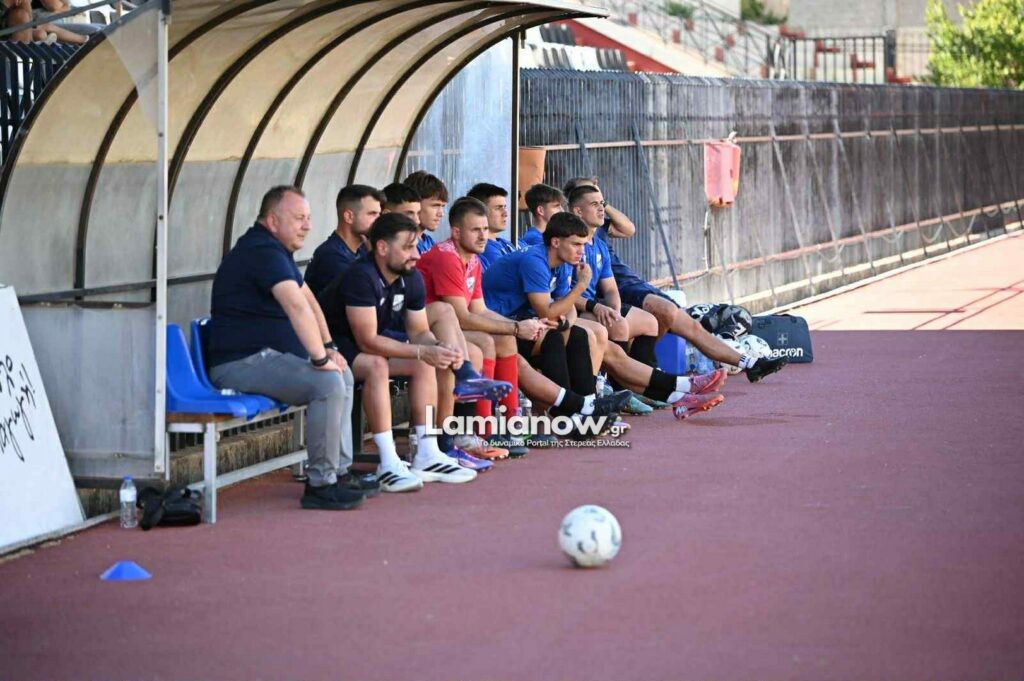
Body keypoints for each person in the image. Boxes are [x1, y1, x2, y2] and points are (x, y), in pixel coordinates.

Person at [206, 186, 371, 511]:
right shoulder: (261, 250)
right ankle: (321, 485)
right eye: (299, 218)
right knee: (327, 383)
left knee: (342, 373)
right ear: (272, 220)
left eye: (308, 218)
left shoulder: (274, 250)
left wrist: (329, 349)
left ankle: (339, 471)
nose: (307, 226)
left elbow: (309, 300)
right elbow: (295, 306)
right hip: (239, 364)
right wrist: (319, 359)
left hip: (264, 358)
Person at [321, 213, 513, 486]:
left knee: (426, 363)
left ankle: (427, 452)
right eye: (408, 247)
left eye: (415, 246)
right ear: (382, 247)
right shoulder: (361, 276)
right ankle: (388, 461)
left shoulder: (409, 276)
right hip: (333, 348)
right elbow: (367, 341)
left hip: (372, 344)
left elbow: (419, 331)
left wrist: (438, 348)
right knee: (378, 365)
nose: (416, 254)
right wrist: (422, 351)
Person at [419, 197, 631, 438]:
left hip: (480, 325)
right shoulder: (447, 257)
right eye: (475, 230)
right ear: (456, 232)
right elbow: (462, 317)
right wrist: (517, 327)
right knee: (516, 342)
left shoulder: (473, 259)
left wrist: (525, 326)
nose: (482, 236)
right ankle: (565, 415)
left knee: (570, 335)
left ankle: (569, 413)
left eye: (485, 229)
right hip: (429, 331)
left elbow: (478, 310)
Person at [486, 212, 726, 420]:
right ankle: (577, 411)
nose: (582, 251)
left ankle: (677, 393)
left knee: (586, 338)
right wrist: (581, 288)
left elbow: (564, 307)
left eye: (583, 244)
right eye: (576, 244)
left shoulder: (565, 261)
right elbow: (547, 311)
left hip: (526, 321)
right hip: (501, 325)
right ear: (556, 242)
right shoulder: (535, 259)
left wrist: (567, 322)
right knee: (573, 337)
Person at [563, 177, 786, 383]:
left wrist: (604, 202)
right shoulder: (574, 240)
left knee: (690, 325)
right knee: (664, 313)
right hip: (621, 290)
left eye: (601, 199)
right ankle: (643, 374)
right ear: (576, 207)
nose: (600, 205)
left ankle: (749, 362)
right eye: (593, 200)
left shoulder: (600, 233)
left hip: (631, 284)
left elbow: (629, 229)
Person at [303, 184, 382, 297]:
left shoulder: (363, 248)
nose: (379, 220)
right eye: (372, 214)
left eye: (379, 214)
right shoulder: (332, 256)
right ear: (349, 217)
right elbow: (366, 293)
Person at [466, 182, 516, 270]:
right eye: (498, 208)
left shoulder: (505, 243)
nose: (505, 213)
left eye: (505, 207)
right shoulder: (485, 248)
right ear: (480, 212)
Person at [403, 170, 448, 255]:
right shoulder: (402, 244)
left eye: (442, 206)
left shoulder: (430, 242)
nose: (441, 214)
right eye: (435, 205)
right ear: (415, 203)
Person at [518, 183, 566, 250]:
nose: (562, 210)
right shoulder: (535, 239)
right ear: (540, 210)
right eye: (556, 206)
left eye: (561, 206)